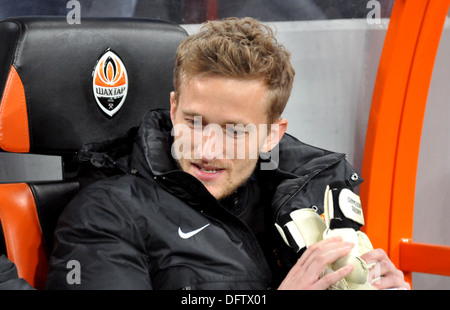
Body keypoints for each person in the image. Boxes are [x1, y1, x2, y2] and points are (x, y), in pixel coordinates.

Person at [45, 17, 409, 290]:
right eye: (194, 121)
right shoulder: (106, 213)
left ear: (271, 136)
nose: (207, 149)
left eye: (234, 131)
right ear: (173, 111)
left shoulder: (307, 195)